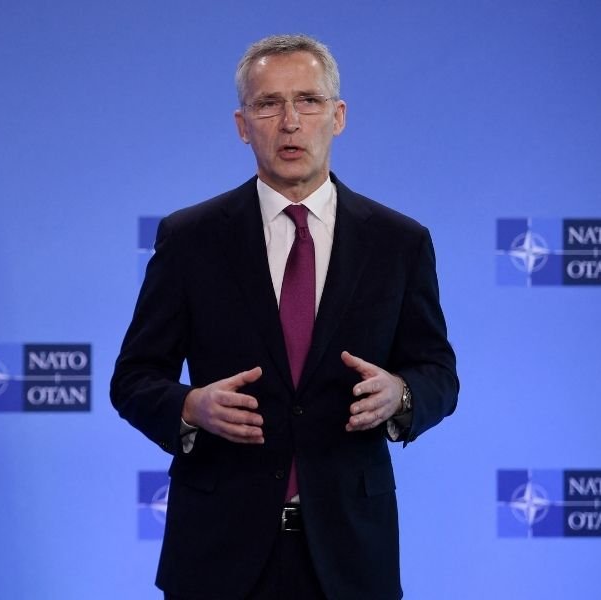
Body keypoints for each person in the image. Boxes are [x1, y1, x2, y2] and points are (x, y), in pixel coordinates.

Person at [111, 33, 459, 600]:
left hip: (350, 558)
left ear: (338, 116)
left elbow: (438, 374)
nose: (290, 122)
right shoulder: (191, 238)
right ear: (242, 125)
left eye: (309, 101)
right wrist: (190, 407)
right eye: (268, 104)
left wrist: (401, 395)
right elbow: (133, 378)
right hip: (217, 556)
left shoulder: (399, 242)